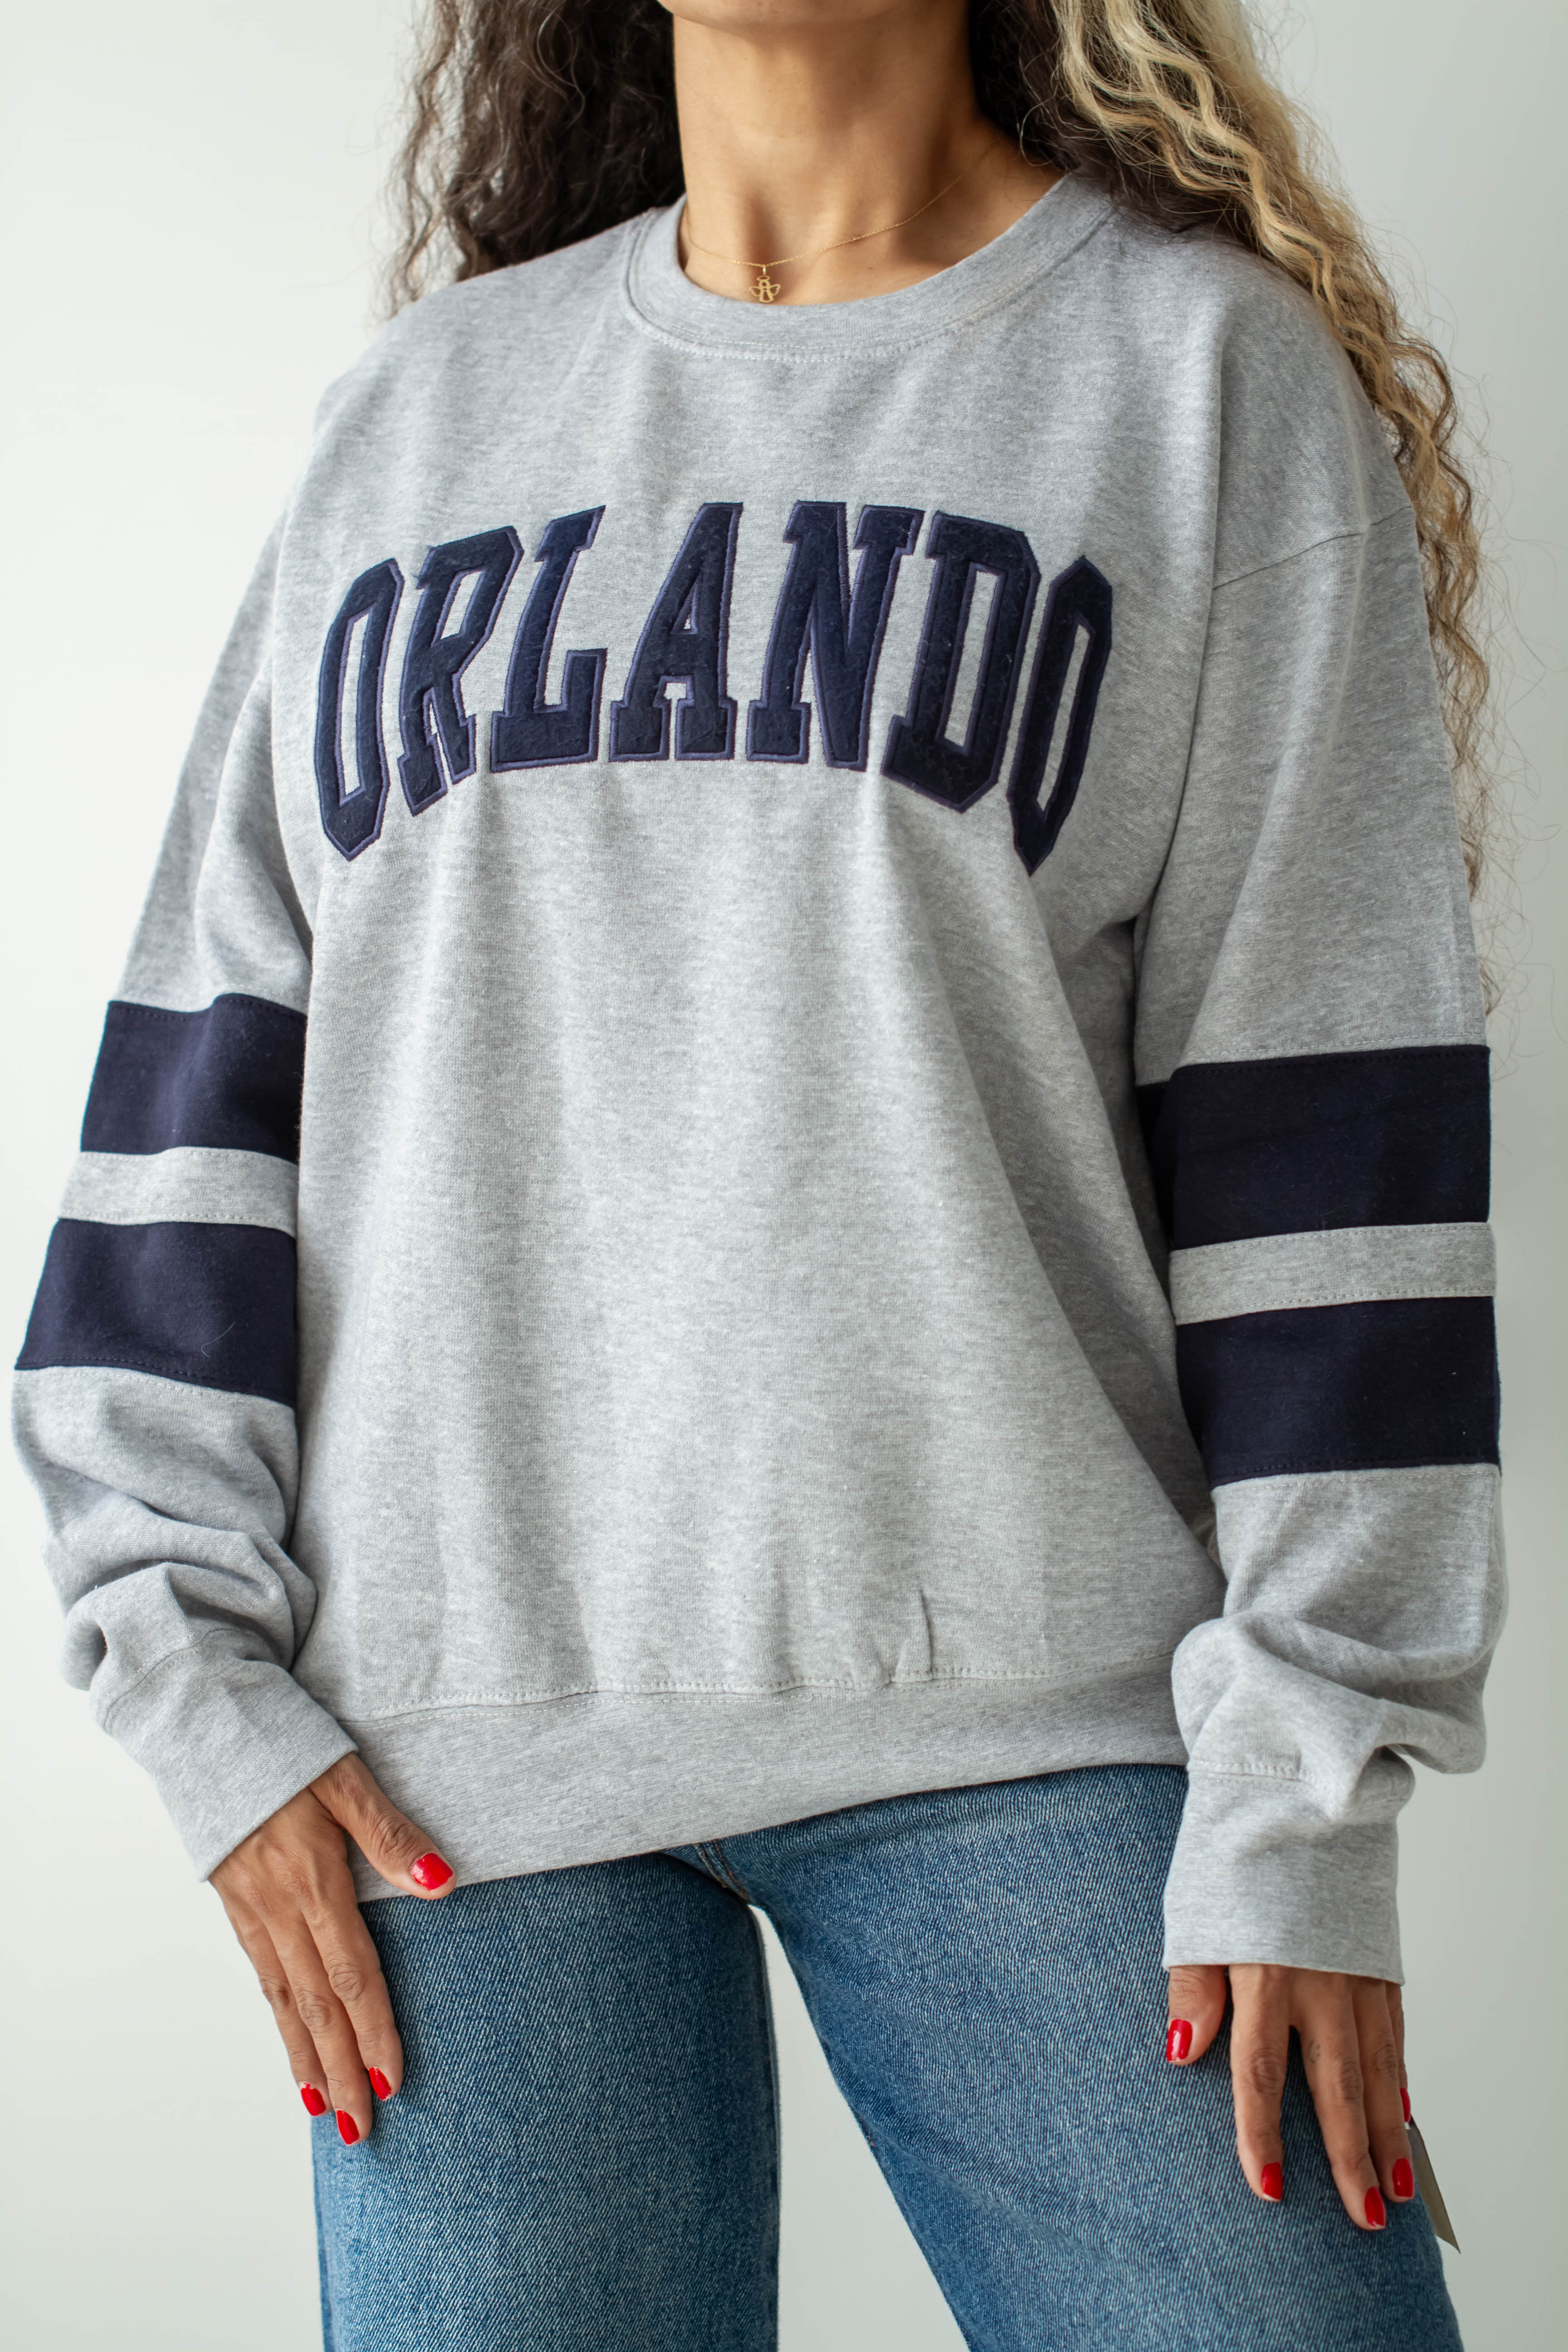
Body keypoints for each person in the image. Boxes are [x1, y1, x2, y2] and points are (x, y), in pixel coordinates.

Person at [13, 2, 1501, 2344]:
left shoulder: (1198, 383)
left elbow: (1331, 1126)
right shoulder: (422, 415)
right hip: (449, 1772)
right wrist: (190, 1676)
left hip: (1039, 1720)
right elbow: (209, 1074)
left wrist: (1308, 1782)